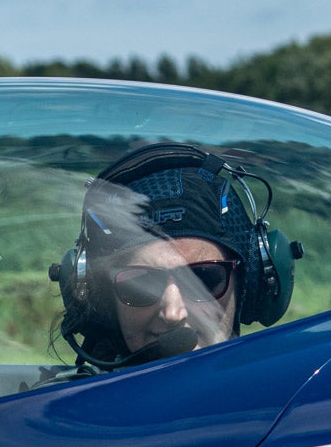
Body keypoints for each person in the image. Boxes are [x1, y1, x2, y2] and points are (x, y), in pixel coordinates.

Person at [51, 143, 300, 371]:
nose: (173, 313)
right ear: (102, 298)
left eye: (204, 279)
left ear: (251, 284)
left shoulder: (300, 409)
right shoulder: (64, 412)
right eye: (142, 285)